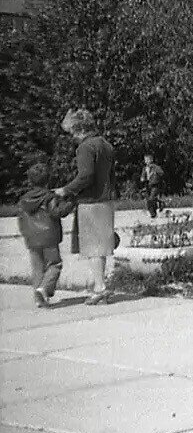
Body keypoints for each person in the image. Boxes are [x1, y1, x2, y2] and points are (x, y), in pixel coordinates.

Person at [54, 108, 116, 305]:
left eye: (72, 131)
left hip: (90, 201)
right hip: (106, 200)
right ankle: (101, 284)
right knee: (102, 246)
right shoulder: (106, 145)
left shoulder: (85, 147)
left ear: (79, 128)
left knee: (92, 247)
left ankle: (100, 288)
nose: (72, 136)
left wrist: (66, 190)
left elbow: (86, 176)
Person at [17, 162, 76, 308]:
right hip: (49, 237)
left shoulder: (24, 200)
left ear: (30, 181)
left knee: (37, 268)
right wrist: (71, 203)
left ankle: (39, 299)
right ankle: (44, 289)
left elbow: (20, 219)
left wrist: (25, 233)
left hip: (31, 238)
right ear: (48, 180)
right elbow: (57, 212)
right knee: (55, 264)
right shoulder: (49, 197)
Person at [140, 154, 165, 218]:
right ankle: (153, 214)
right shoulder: (145, 168)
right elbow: (143, 176)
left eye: (147, 160)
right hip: (147, 185)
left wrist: (156, 175)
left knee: (151, 199)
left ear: (151, 160)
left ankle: (160, 204)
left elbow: (161, 173)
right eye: (145, 160)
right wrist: (142, 178)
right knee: (148, 200)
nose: (146, 161)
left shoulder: (155, 167)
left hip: (155, 185)